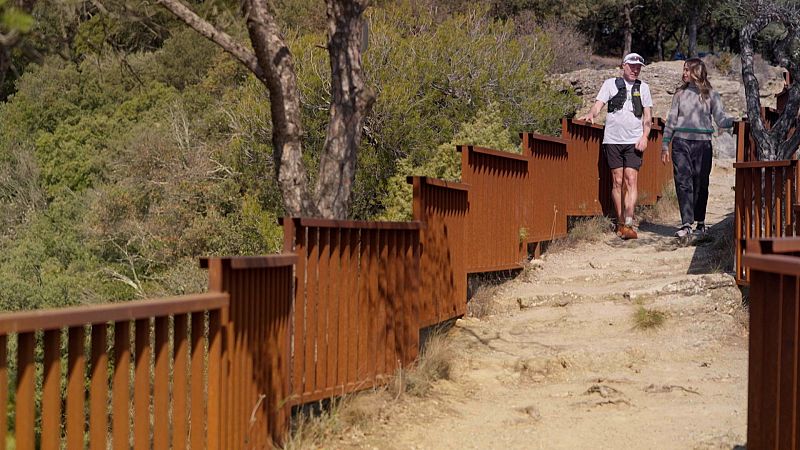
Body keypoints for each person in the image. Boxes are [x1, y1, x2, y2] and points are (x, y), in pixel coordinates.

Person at [579, 52, 653, 240]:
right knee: (617, 181)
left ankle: (629, 221)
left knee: (631, 179)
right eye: (632, 66)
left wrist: (645, 137)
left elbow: (648, 116)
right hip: (612, 139)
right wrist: (591, 114)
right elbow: (598, 105)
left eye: (638, 67)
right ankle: (620, 222)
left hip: (634, 140)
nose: (635, 69)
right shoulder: (610, 84)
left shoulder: (643, 88)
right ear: (623, 66)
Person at [661, 58, 734, 238]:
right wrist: (665, 144)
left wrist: (737, 121)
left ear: (696, 72)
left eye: (687, 70)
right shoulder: (679, 94)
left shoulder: (712, 95)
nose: (684, 73)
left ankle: (700, 222)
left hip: (703, 144)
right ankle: (686, 224)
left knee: (701, 183)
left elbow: (721, 120)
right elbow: (671, 120)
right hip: (680, 143)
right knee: (683, 181)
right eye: (684, 70)